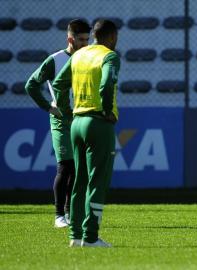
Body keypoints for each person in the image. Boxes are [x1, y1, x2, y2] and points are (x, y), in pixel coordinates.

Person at [53, 19, 120, 247]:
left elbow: (60, 84)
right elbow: (106, 85)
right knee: (97, 182)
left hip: (76, 123)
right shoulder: (109, 56)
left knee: (79, 181)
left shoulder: (78, 55)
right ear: (112, 37)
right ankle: (91, 237)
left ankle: (75, 236)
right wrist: (107, 109)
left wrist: (65, 110)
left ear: (93, 36)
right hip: (98, 124)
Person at [25, 19, 91, 228]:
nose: (85, 44)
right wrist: (48, 107)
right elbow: (31, 85)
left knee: (79, 169)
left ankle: (70, 213)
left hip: (80, 117)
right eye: (81, 39)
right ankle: (58, 216)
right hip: (62, 120)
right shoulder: (55, 60)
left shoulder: (88, 59)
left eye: (87, 40)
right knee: (65, 166)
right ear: (70, 39)